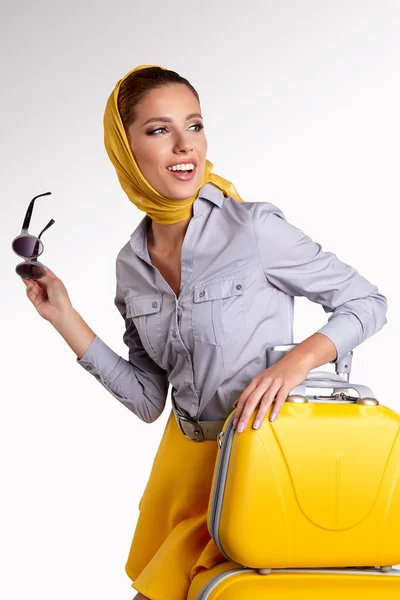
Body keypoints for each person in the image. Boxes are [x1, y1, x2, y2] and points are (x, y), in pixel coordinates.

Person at [20, 65, 388, 600]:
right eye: (158, 130)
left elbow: (367, 302)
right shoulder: (131, 265)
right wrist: (64, 318)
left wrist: (297, 361)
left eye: (193, 125)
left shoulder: (254, 228)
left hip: (260, 463)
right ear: (126, 151)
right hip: (183, 471)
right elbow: (149, 400)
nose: (183, 145)